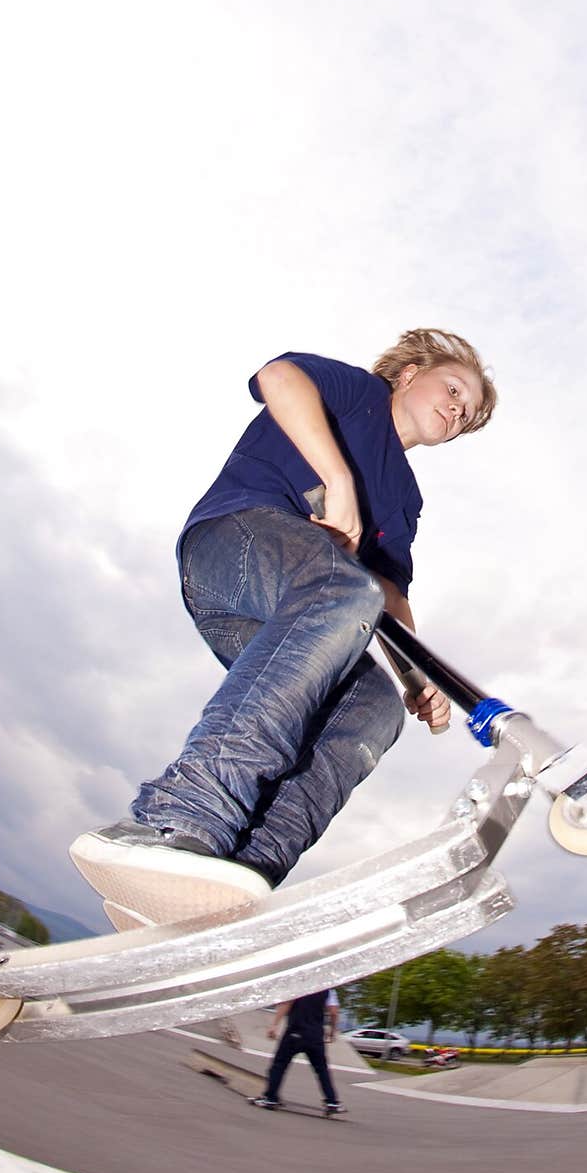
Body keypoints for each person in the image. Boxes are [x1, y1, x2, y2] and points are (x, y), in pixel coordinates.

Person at [69, 329, 496, 928]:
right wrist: (339, 483)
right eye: (453, 389)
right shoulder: (360, 395)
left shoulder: (405, 499)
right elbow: (279, 377)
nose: (457, 408)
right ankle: (182, 818)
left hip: (297, 613)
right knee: (343, 585)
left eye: (467, 412)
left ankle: (240, 871)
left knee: (373, 705)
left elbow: (391, 592)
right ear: (408, 374)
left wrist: (416, 675)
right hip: (234, 544)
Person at [252, 989, 345, 1113]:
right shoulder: (329, 989)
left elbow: (287, 1003)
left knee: (279, 1066)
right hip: (315, 1036)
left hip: (295, 1033)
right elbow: (334, 1012)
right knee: (322, 1070)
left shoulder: (300, 984)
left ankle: (270, 1098)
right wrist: (333, 1031)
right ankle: (332, 1102)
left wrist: (274, 1025)